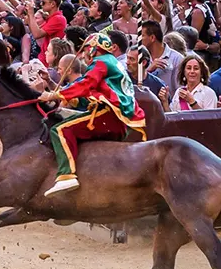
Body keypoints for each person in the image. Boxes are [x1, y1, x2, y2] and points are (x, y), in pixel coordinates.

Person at [40, 32, 146, 197]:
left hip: (110, 115)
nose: (84, 54)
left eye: (87, 49)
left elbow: (86, 84)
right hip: (119, 118)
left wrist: (56, 94)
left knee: (59, 130)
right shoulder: (113, 63)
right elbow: (92, 93)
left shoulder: (101, 62)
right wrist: (73, 100)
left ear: (94, 49)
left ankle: (66, 176)